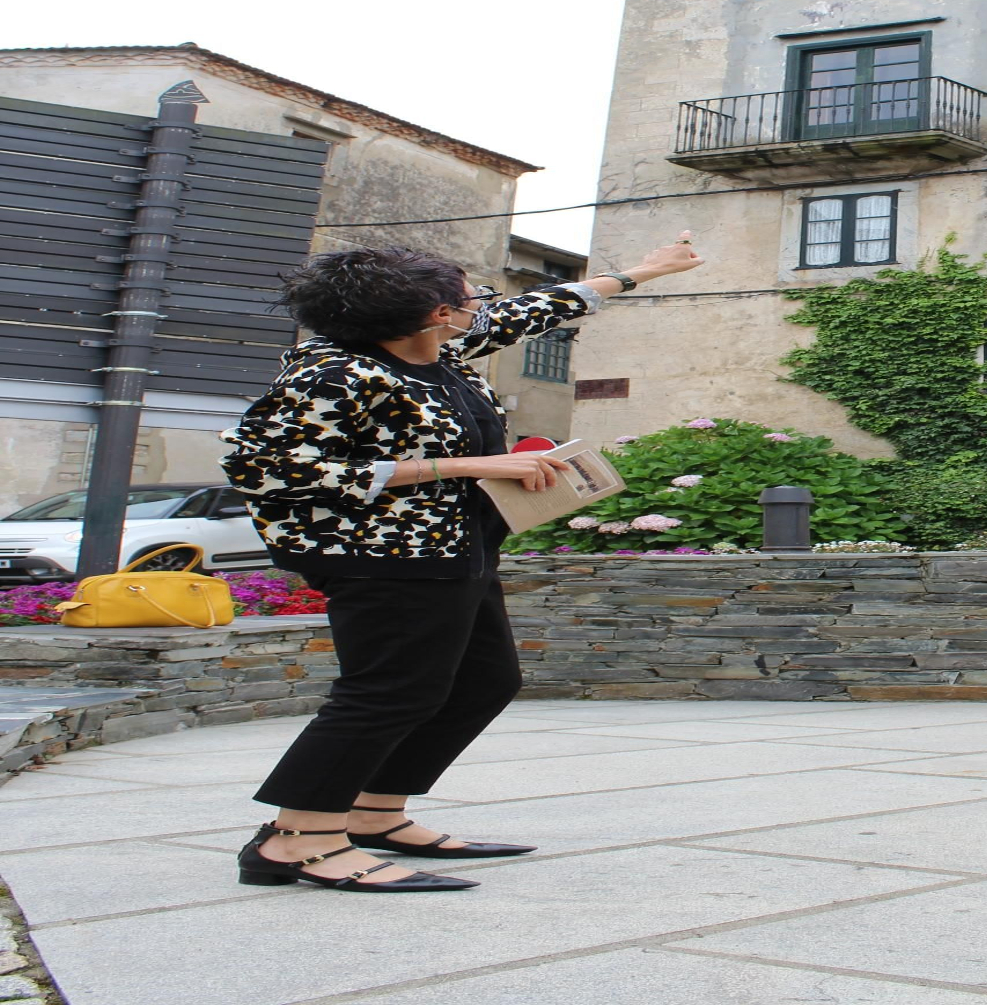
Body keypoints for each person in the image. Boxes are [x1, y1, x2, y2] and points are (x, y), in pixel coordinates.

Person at [223, 235, 702, 892]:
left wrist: (643, 270)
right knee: (385, 693)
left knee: (484, 681)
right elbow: (264, 468)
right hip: (383, 558)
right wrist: (467, 464)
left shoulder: (439, 351)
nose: (483, 303)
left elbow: (533, 310)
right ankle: (295, 838)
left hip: (459, 548)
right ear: (436, 314)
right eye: (469, 295)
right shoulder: (334, 375)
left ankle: (374, 811)